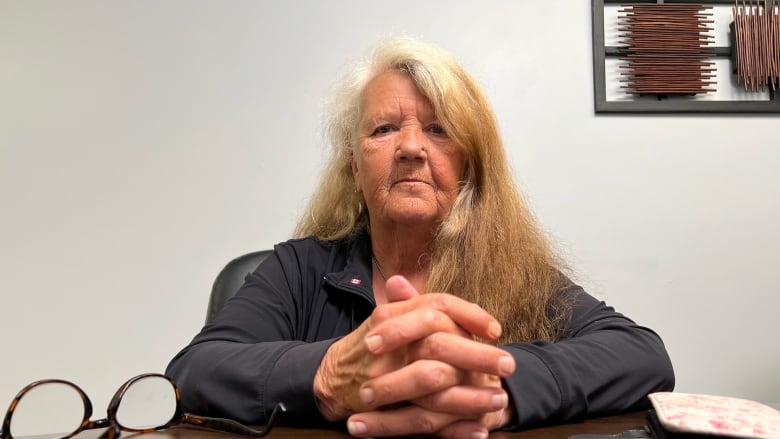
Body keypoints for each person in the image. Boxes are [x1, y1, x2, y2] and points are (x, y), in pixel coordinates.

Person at [166, 37, 674, 438]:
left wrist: (499, 384)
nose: (411, 147)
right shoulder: (298, 269)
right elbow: (193, 371)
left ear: (468, 164)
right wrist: (326, 375)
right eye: (384, 129)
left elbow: (643, 357)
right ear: (354, 165)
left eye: (438, 130)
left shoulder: (516, 271)